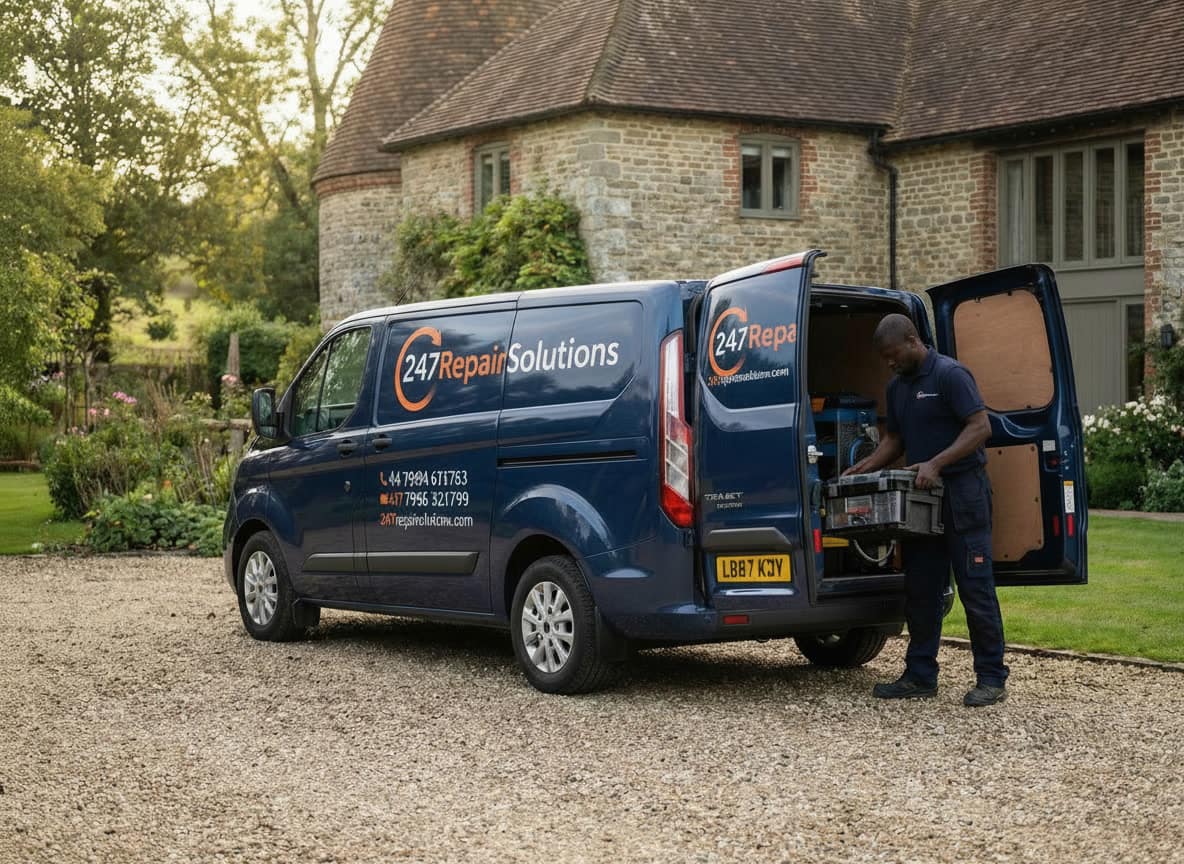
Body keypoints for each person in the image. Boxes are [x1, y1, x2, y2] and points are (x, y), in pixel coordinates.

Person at [845, 313, 1008, 707]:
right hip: (921, 502)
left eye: (892, 354)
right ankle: (920, 675)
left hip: (963, 494)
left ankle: (991, 677)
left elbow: (980, 427)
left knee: (975, 587)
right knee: (922, 589)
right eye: (885, 357)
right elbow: (895, 440)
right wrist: (862, 469)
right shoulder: (898, 387)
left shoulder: (951, 375)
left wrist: (936, 463)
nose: (888, 362)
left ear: (912, 341)